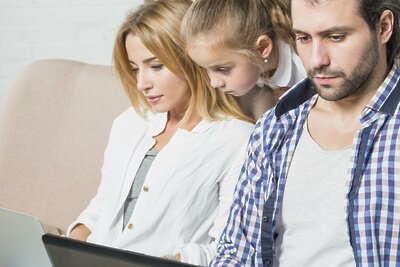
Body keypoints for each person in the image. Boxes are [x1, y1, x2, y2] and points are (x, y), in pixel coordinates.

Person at [210, 0, 400, 266]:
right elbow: (237, 252)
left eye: (335, 37)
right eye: (304, 38)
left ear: (383, 27)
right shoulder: (274, 128)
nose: (316, 60)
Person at [66, 0, 254, 266]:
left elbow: (228, 248)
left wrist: (165, 260)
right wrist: (70, 241)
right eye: (135, 68)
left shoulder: (237, 139)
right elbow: (104, 205)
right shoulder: (129, 122)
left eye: (156, 66)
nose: (142, 83)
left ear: (191, 59)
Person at [180, 0, 306, 121]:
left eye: (223, 69)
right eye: (205, 69)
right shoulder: (252, 71)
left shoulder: (304, 63)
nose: (214, 83)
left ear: (262, 48)